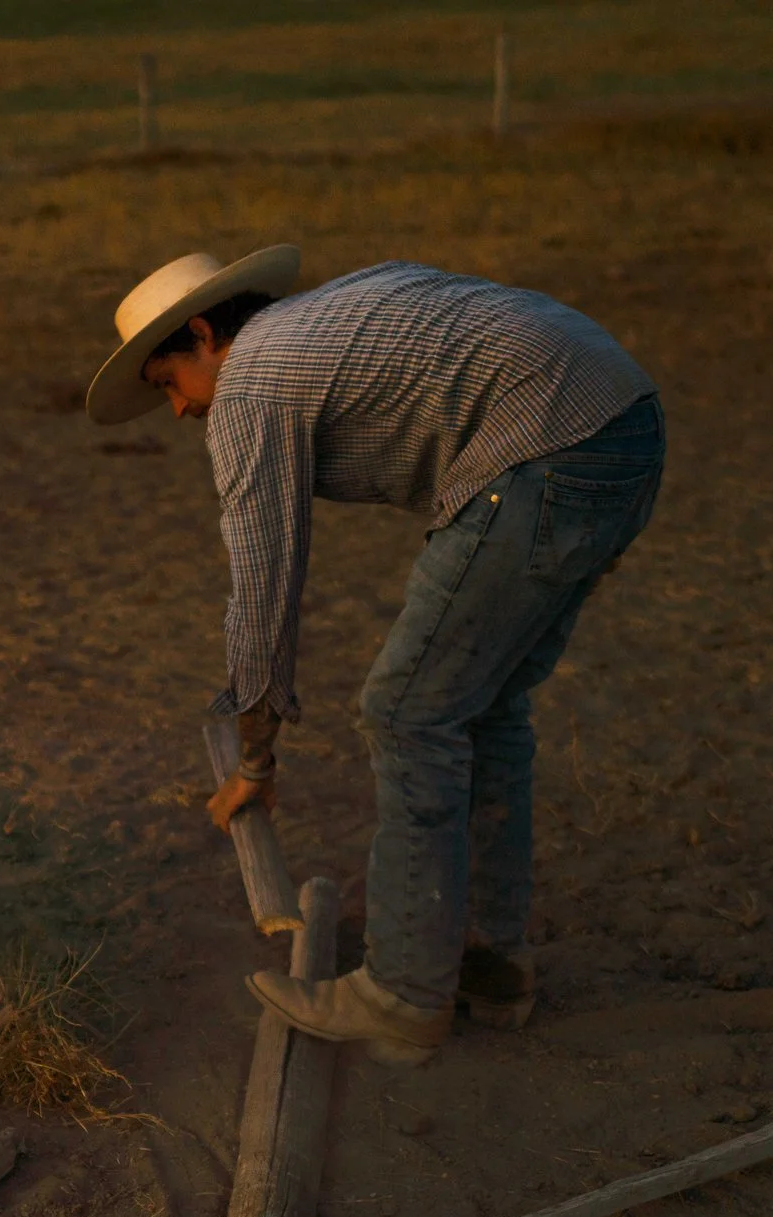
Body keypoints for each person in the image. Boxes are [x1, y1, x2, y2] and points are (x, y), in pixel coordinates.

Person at [88, 247, 662, 1063]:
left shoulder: (249, 382)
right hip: (625, 425)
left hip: (542, 448)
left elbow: (263, 589)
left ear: (207, 334)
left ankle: (401, 995)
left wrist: (254, 756)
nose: (178, 411)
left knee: (405, 712)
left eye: (167, 384)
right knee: (484, 706)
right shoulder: (320, 320)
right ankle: (489, 962)